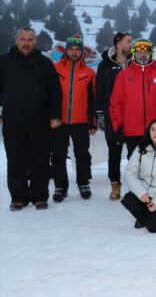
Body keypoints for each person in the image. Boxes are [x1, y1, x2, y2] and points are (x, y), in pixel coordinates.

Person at [1, 27, 61, 210]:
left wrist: (56, 115)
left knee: (40, 160)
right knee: (15, 159)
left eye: (29, 39)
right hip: (13, 120)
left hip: (40, 121)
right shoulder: (3, 62)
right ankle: (18, 198)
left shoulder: (45, 63)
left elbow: (55, 91)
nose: (26, 43)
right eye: (22, 39)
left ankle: (39, 196)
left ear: (35, 42)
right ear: (16, 40)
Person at [109, 38, 156, 157]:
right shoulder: (124, 75)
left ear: (151, 55)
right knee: (135, 166)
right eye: (139, 53)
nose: (142, 56)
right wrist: (118, 126)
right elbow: (116, 102)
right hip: (132, 131)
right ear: (134, 54)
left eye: (145, 53)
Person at [51, 34, 96, 203]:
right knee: (58, 155)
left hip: (81, 122)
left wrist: (92, 121)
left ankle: (83, 183)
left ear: (82, 52)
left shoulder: (89, 73)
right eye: (71, 49)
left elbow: (93, 99)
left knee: (82, 154)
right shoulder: (55, 69)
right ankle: (60, 186)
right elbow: (48, 95)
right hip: (58, 121)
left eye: (78, 50)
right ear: (66, 50)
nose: (74, 52)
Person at [121, 118, 156, 233]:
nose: (155, 133)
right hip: (144, 194)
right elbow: (129, 172)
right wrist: (141, 192)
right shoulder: (141, 149)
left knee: (153, 228)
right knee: (128, 200)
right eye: (152, 129)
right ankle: (147, 215)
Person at [95, 32, 132, 200]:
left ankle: (135, 186)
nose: (132, 44)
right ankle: (115, 185)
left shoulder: (136, 63)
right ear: (118, 44)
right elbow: (100, 90)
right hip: (112, 115)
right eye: (128, 41)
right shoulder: (105, 65)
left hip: (133, 115)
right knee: (114, 153)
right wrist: (100, 113)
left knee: (135, 153)